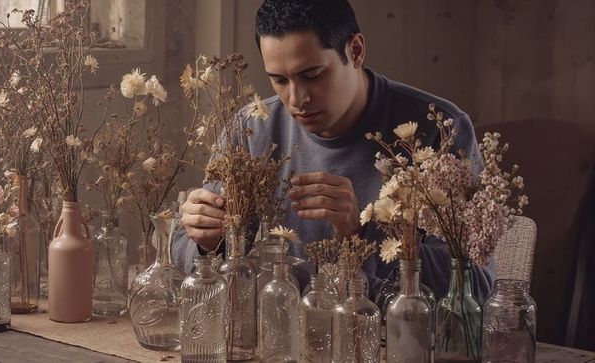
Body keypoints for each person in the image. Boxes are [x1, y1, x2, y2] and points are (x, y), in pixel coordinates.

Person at [172, 0, 495, 302]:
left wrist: (363, 233)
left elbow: (476, 287)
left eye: (311, 75)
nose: (297, 99)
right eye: (279, 80)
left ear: (355, 51)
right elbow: (182, 254)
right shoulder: (253, 128)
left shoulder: (440, 129)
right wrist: (209, 243)